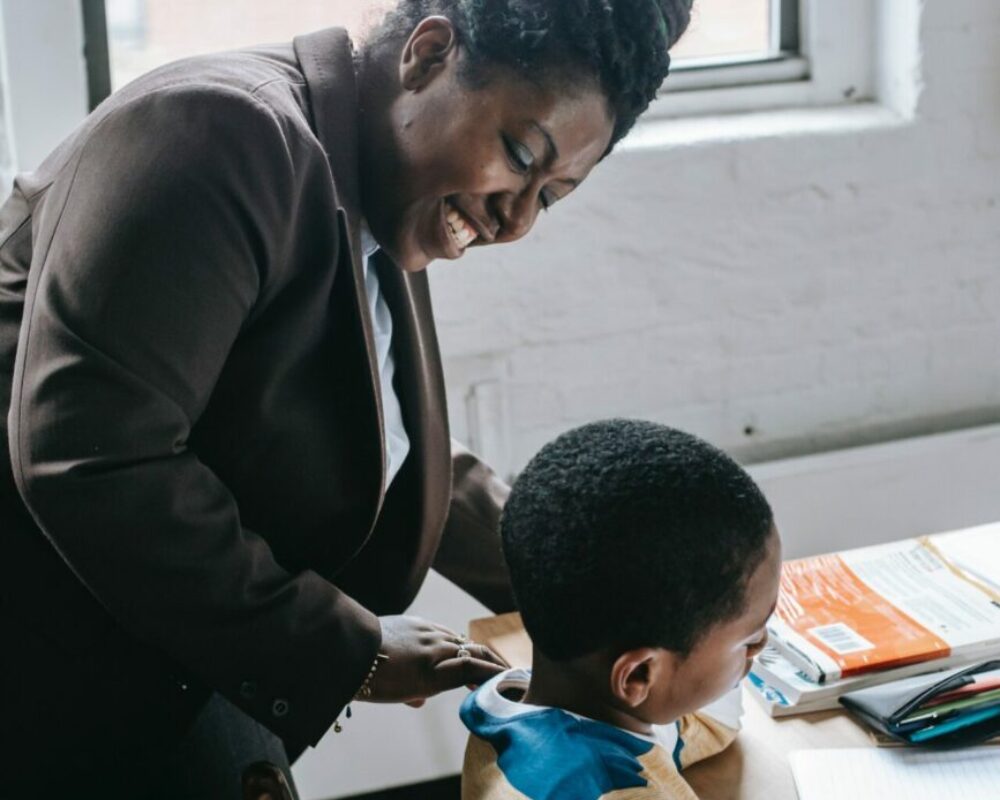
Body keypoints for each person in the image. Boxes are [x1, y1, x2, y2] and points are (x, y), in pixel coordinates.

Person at [0, 1, 693, 797]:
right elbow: (94, 459)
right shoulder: (220, 136)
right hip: (48, 683)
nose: (515, 220)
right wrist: (346, 649)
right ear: (428, 54)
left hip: (168, 659)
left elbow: (378, 438)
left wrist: (589, 595)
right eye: (516, 155)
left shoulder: (376, 189)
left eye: (552, 195)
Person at [460, 419, 782, 799]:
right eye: (751, 640)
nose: (761, 647)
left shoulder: (512, 706)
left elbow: (699, 727)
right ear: (637, 675)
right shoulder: (618, 789)